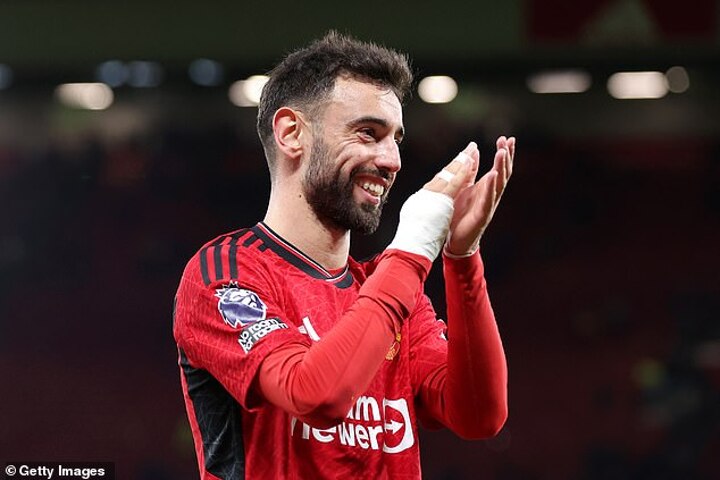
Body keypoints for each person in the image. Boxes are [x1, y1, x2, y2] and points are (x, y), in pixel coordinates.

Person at [173, 31, 515, 480]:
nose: (392, 160)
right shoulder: (227, 274)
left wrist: (462, 258)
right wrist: (412, 250)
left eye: (395, 139)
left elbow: (479, 415)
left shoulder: (390, 289)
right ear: (291, 133)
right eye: (368, 133)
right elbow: (315, 396)